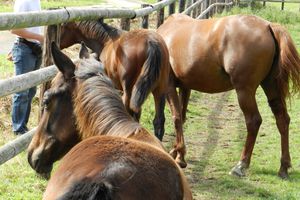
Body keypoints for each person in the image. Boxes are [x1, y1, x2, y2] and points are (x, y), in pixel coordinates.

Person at [10, 0, 43, 135]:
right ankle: (18, 129)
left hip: (33, 48)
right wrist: (41, 37)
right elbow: (15, 28)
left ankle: (23, 125)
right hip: (25, 48)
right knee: (22, 91)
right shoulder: (24, 1)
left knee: (31, 90)